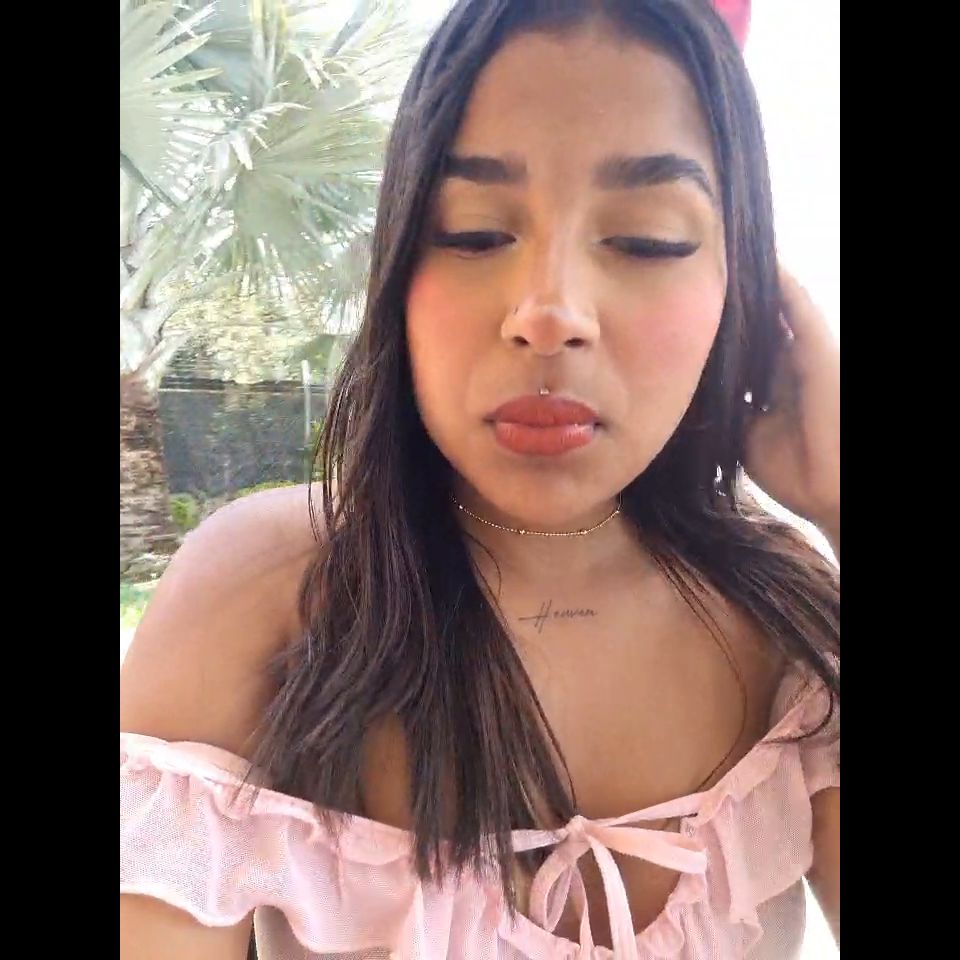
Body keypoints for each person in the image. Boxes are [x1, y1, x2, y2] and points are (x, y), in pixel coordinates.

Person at [120, 2, 839, 957]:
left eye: (648, 239)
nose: (549, 313)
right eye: (472, 232)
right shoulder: (269, 593)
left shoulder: (786, 615)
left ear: (742, 291)